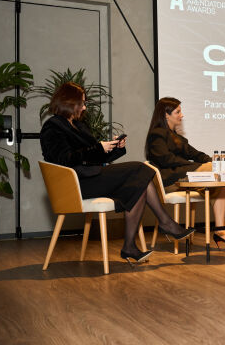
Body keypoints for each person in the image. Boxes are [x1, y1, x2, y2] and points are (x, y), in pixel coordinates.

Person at [40, 83, 193, 265]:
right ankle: (165, 223)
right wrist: (98, 148)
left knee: (140, 183)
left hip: (91, 177)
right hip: (77, 184)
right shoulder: (53, 127)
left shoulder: (79, 125)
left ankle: (131, 246)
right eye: (81, 103)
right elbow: (64, 159)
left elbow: (94, 156)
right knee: (140, 169)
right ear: (68, 102)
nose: (84, 107)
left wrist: (114, 148)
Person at [146, 97, 225, 248]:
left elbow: (195, 153)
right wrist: (198, 166)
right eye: (178, 112)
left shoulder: (177, 137)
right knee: (224, 172)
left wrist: (212, 161)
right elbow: (166, 159)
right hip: (171, 181)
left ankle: (221, 230)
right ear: (166, 115)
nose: (182, 115)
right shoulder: (157, 134)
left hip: (185, 176)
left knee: (222, 178)